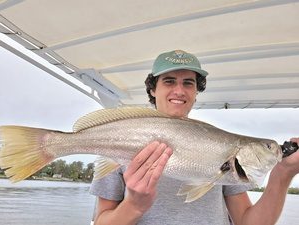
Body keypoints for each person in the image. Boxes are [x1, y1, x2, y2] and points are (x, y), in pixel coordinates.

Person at [90, 50, 299, 225]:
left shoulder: (221, 145)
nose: (179, 90)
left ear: (196, 91)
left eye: (188, 83)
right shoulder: (119, 138)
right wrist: (133, 205)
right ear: (153, 89)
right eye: (169, 81)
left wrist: (283, 173)